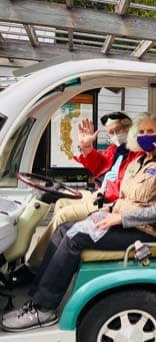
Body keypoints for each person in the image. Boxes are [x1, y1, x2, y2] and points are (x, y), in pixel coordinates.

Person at [2, 113, 156, 331]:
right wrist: (107, 210)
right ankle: (36, 296)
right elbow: (123, 196)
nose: (146, 136)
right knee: (62, 230)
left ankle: (45, 308)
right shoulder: (139, 162)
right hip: (118, 219)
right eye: (142, 132)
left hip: (142, 230)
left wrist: (120, 217)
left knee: (74, 237)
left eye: (151, 131)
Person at [27, 112, 142, 268]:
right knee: (61, 202)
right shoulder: (115, 150)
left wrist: (104, 192)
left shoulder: (138, 154)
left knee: (63, 216)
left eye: (119, 130)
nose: (115, 135)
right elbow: (98, 165)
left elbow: (128, 187)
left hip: (111, 202)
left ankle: (36, 264)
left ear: (130, 128)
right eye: (111, 132)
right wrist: (86, 146)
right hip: (101, 195)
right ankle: (56, 255)